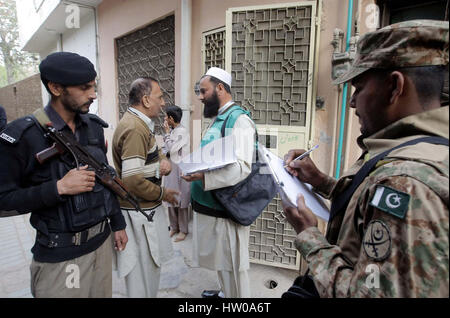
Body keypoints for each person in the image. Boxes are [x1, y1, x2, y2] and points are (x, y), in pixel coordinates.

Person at [283, 20, 449, 297]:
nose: (352, 102)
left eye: (358, 88)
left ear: (395, 86)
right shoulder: (421, 147)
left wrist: (309, 236)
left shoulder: (402, 181)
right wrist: (324, 182)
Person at [0, 52, 128, 297]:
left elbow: (104, 178)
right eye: (84, 88)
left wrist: (118, 224)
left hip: (101, 246)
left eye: (94, 86)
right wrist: (58, 188)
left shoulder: (92, 127)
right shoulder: (24, 136)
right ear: (56, 88)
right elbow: (3, 198)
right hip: (60, 259)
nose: (93, 94)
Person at [182, 67, 256, 298]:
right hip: (213, 207)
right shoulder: (219, 120)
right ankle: (226, 294)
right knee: (223, 263)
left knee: (234, 266)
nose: (200, 97)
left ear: (220, 88)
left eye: (204, 91)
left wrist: (203, 176)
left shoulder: (240, 120)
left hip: (227, 209)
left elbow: (243, 168)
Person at [112, 77, 180, 298]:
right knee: (142, 280)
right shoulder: (134, 128)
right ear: (145, 100)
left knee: (149, 275)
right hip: (138, 213)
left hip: (142, 210)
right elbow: (131, 180)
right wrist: (163, 194)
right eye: (159, 97)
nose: (163, 103)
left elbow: (141, 166)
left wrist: (161, 166)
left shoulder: (139, 124)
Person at [162, 105, 191, 242]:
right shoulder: (172, 132)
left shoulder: (182, 132)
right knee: (170, 197)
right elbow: (164, 149)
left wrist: (167, 135)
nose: (165, 119)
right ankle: (173, 227)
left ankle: (183, 230)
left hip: (180, 169)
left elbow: (172, 148)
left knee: (182, 200)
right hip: (171, 169)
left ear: (171, 118)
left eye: (166, 117)